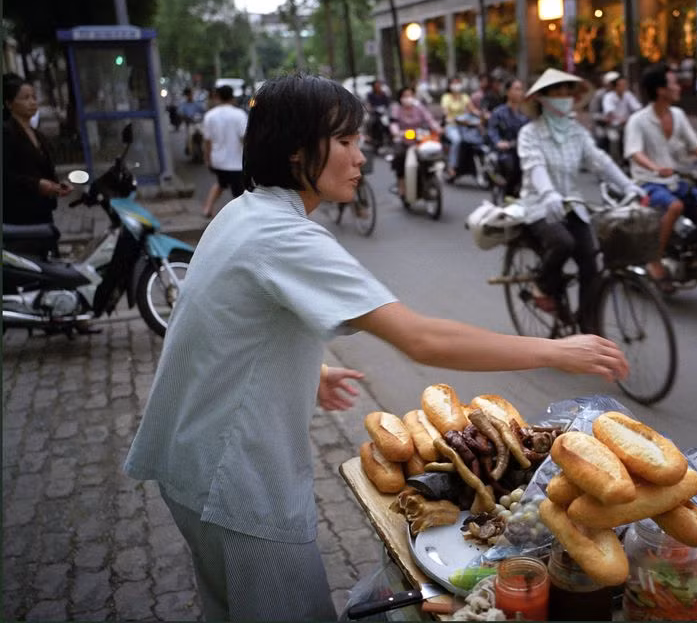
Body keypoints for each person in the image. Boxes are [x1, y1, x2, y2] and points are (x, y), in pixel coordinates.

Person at [122, 73, 628, 621]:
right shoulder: (286, 236)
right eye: (344, 142)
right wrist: (555, 351)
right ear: (297, 154)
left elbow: (221, 321)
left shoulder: (244, 212)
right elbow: (420, 338)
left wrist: (307, 372)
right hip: (237, 484)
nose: (361, 157)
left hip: (192, 465)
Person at [517, 68, 645, 315]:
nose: (564, 96)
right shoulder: (530, 133)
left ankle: (588, 322)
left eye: (567, 90)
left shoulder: (577, 131)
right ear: (542, 99)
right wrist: (548, 194)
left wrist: (627, 184)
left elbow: (599, 161)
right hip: (539, 204)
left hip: (572, 204)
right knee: (563, 242)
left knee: (591, 260)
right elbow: (535, 166)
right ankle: (540, 284)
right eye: (557, 91)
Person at [624, 64, 697, 290]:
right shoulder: (638, 120)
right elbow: (634, 152)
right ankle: (654, 260)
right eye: (674, 83)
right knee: (674, 207)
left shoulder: (678, 115)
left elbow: (695, 146)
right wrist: (655, 167)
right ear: (660, 90)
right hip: (647, 181)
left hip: (676, 179)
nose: (679, 87)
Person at [3, 76, 72, 248]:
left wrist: (57, 185)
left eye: (34, 97)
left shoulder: (38, 134)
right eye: (25, 98)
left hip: (42, 211)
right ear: (9, 103)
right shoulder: (6, 133)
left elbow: (43, 170)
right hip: (20, 216)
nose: (32, 102)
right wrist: (37, 185)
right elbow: (6, 176)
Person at [201, 85, 249, 218]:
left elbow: (207, 141)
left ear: (217, 97)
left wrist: (207, 159)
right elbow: (244, 138)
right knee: (239, 193)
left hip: (218, 160)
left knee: (221, 184)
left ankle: (207, 208)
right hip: (236, 162)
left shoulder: (210, 116)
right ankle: (240, 216)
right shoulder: (239, 115)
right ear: (232, 97)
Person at [389, 86, 441, 198]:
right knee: (400, 156)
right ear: (400, 98)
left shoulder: (419, 107)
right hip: (403, 138)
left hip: (419, 139)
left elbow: (429, 119)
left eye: (410, 95)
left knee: (433, 152)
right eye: (405, 96)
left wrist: (437, 128)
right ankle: (401, 184)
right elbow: (393, 123)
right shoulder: (396, 109)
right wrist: (397, 132)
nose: (408, 98)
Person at [486, 78, 530, 199]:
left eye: (521, 89)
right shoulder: (498, 113)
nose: (519, 92)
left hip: (524, 149)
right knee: (509, 163)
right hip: (506, 151)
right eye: (516, 89)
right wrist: (498, 142)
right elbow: (492, 130)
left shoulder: (525, 114)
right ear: (508, 92)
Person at [440, 76, 480, 179]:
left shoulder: (465, 97)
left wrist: (482, 114)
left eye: (458, 82)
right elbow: (445, 112)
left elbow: (472, 109)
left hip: (465, 125)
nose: (456, 85)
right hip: (452, 125)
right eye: (454, 83)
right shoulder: (446, 97)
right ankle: (452, 166)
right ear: (449, 85)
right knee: (457, 141)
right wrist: (449, 118)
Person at [601, 74, 642, 167]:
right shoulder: (608, 97)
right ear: (615, 86)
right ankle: (615, 163)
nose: (624, 87)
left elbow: (637, 107)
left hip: (627, 125)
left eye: (625, 85)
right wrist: (621, 119)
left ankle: (632, 161)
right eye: (622, 85)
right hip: (613, 126)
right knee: (614, 139)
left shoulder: (628, 95)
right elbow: (610, 113)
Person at [589, 71, 620, 151]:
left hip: (616, 125)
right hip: (601, 127)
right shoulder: (599, 95)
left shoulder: (621, 94)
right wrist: (605, 118)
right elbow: (593, 114)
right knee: (602, 142)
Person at [365, 80, 391, 146]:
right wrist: (373, 109)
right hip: (374, 113)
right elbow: (369, 104)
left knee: (389, 123)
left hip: (384, 113)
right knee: (370, 122)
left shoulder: (383, 94)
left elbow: (387, 103)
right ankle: (369, 136)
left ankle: (390, 137)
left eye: (379, 86)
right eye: (376, 86)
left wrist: (385, 109)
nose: (378, 87)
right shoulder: (370, 94)